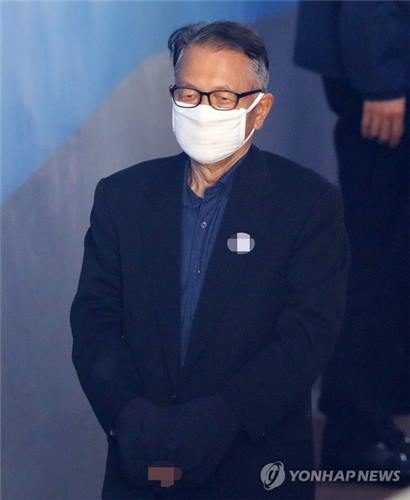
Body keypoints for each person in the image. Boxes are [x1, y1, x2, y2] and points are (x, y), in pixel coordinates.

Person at [70, 20, 350, 499]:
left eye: (222, 98)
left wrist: (225, 416)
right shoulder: (122, 196)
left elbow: (308, 335)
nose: (202, 110)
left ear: (260, 111)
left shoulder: (307, 204)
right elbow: (94, 321)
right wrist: (128, 416)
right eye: (189, 94)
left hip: (254, 464)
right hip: (141, 461)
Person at [294, 0, 410, 484]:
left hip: (387, 67)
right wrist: (383, 77)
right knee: (376, 258)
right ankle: (356, 434)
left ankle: (376, 408)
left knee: (387, 253)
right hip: (386, 76)